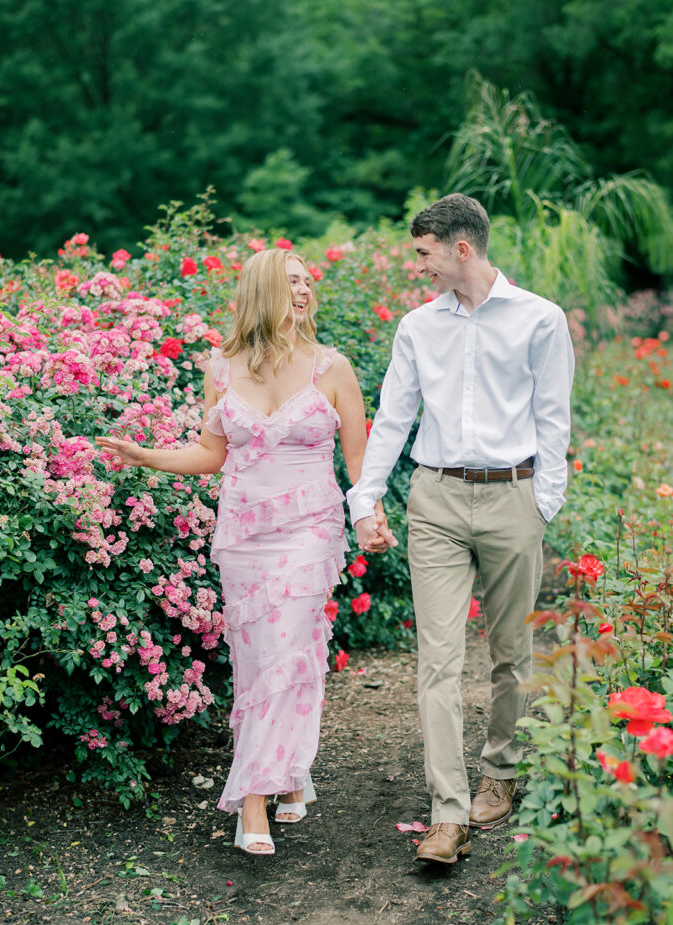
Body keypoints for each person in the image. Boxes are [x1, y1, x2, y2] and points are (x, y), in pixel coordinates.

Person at [97, 248, 392, 855]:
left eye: (309, 281)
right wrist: (148, 455)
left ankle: (253, 799)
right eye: (292, 281)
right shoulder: (222, 368)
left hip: (310, 528)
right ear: (263, 290)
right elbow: (212, 455)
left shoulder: (333, 369)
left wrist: (370, 518)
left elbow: (361, 464)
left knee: (287, 646)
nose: (305, 290)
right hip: (244, 536)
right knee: (264, 661)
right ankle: (289, 771)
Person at [348, 194, 574, 865]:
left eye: (423, 253)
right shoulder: (418, 328)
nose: (419, 266)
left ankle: (500, 775)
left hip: (513, 497)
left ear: (460, 249)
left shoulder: (539, 319)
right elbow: (392, 418)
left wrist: (543, 504)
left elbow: (553, 416)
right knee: (436, 662)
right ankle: (446, 813)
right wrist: (365, 500)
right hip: (436, 500)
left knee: (511, 653)